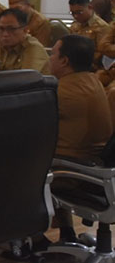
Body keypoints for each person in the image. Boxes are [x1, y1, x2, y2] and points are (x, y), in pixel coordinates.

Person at [49, 34, 113, 244]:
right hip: (100, 171)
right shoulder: (94, 82)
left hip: (77, 175)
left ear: (65, 61)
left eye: (53, 54)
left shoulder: (61, 92)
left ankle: (30, 238)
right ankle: (66, 232)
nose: (50, 58)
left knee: (19, 162)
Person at [0, 8, 50, 76]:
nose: (5, 34)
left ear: (25, 30)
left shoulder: (33, 48)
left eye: (11, 29)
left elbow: (25, 80)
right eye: (1, 29)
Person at [69, 0, 112, 67]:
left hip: (92, 67)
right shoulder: (75, 25)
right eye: (72, 13)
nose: (75, 16)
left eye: (79, 12)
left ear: (90, 7)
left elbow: (102, 55)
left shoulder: (102, 27)